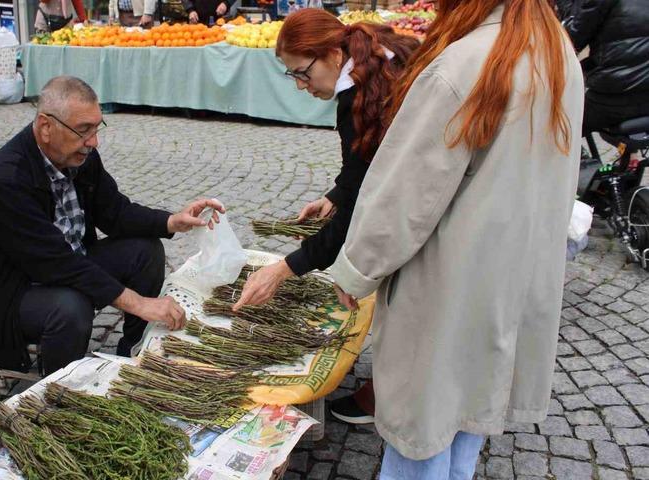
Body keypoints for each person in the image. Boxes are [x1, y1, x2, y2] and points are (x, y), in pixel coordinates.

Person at [327, 0, 583, 476]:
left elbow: (406, 194)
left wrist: (357, 268)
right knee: (466, 416)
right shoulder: (554, 50)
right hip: (512, 275)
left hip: (451, 281)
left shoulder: (466, 63)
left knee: (422, 435)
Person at [0, 76, 223, 375]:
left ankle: (135, 352)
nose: (93, 142)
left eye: (97, 129)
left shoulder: (79, 155)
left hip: (65, 264)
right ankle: (60, 390)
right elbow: (55, 263)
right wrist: (139, 302)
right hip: (6, 296)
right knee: (70, 308)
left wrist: (171, 221)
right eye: (83, 131)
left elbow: (116, 212)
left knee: (145, 251)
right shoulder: (5, 180)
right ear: (46, 127)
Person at [231, 9, 419, 425]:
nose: (300, 86)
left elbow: (359, 209)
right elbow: (361, 172)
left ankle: (400, 400)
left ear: (333, 53)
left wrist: (284, 269)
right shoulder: (379, 57)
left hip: (423, 209)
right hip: (419, 196)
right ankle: (391, 389)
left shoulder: (359, 98)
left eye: (302, 73)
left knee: (411, 299)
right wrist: (335, 195)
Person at [561, 0, 649, 135]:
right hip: (641, 93)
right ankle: (631, 154)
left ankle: (572, 152)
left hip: (615, 99)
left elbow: (570, 41)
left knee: (555, 123)